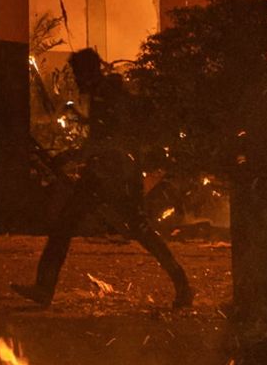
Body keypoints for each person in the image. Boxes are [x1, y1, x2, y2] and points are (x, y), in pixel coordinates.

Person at [13, 48, 194, 309]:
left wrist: (76, 156)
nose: (75, 80)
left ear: (88, 72)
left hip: (114, 173)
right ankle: (44, 288)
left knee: (134, 229)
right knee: (73, 226)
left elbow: (113, 138)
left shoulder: (109, 94)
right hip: (106, 172)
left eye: (77, 74)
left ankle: (183, 285)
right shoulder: (105, 93)